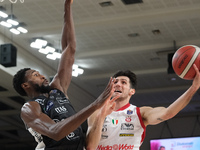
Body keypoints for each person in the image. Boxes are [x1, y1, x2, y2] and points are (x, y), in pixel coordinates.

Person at [12, 0, 119, 150]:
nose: (42, 76)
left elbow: (69, 48)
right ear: (25, 85)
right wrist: (95, 105)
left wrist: (67, 6)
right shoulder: (29, 108)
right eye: (35, 75)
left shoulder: (57, 88)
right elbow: (55, 132)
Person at [86, 65, 200, 150]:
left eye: (123, 82)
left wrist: (193, 88)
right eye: (115, 82)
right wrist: (101, 116)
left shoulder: (140, 113)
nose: (117, 84)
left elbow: (168, 113)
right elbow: (90, 147)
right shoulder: (96, 113)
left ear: (132, 91)